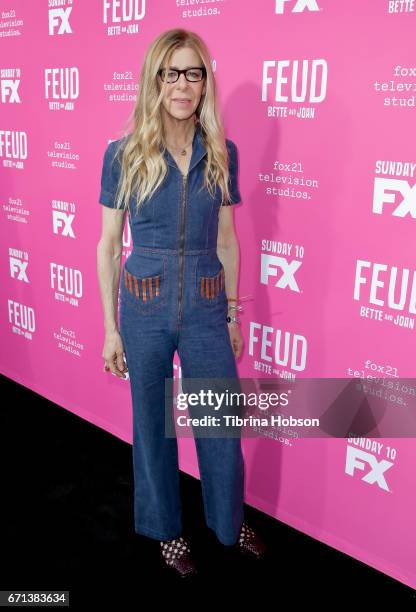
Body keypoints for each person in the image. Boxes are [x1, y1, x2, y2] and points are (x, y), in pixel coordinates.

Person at [96, 28, 266, 578]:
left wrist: (234, 312)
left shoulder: (222, 151)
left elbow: (226, 239)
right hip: (142, 300)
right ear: (155, 79)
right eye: (172, 73)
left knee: (220, 418)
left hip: (205, 299)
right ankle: (165, 530)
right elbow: (106, 244)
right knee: (151, 422)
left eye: (194, 73)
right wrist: (109, 328)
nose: (184, 85)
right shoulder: (122, 154)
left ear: (204, 82)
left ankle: (227, 520)